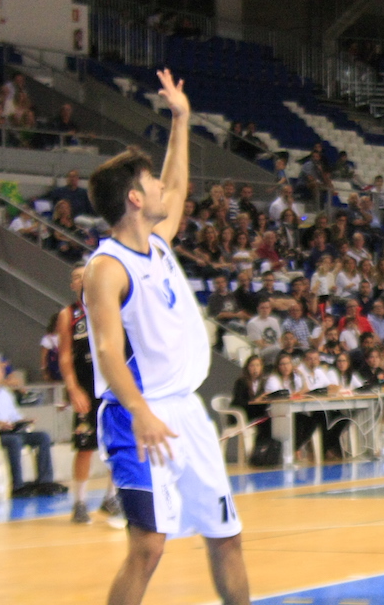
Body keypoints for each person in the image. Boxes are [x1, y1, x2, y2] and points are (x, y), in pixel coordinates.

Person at [81, 69, 250, 605]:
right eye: (150, 183)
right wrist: (141, 412)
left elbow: (176, 186)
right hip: (138, 415)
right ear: (134, 198)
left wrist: (181, 119)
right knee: (148, 547)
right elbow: (107, 353)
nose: (162, 188)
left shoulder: (156, 242)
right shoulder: (107, 268)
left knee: (226, 536)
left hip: (186, 413)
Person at [57, 263, 122, 524]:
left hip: (112, 387)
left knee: (118, 444)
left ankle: (111, 497)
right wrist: (73, 389)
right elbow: (64, 357)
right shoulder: (68, 314)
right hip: (86, 388)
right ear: (73, 284)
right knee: (85, 447)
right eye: (77, 277)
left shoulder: (110, 307)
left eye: (85, 276)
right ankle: (80, 502)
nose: (82, 280)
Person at [0, 357, 64, 497]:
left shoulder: (6, 394)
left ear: (1, 373)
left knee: (43, 437)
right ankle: (18, 485)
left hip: (11, 430)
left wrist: (24, 421)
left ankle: (45, 481)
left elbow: (14, 416)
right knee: (14, 441)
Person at [230, 355, 271, 442]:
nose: (255, 368)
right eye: (252, 366)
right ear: (247, 368)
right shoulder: (241, 382)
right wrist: (254, 401)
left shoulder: (264, 382)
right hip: (244, 413)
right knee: (266, 423)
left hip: (258, 413)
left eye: (257, 365)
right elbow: (238, 402)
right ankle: (259, 447)